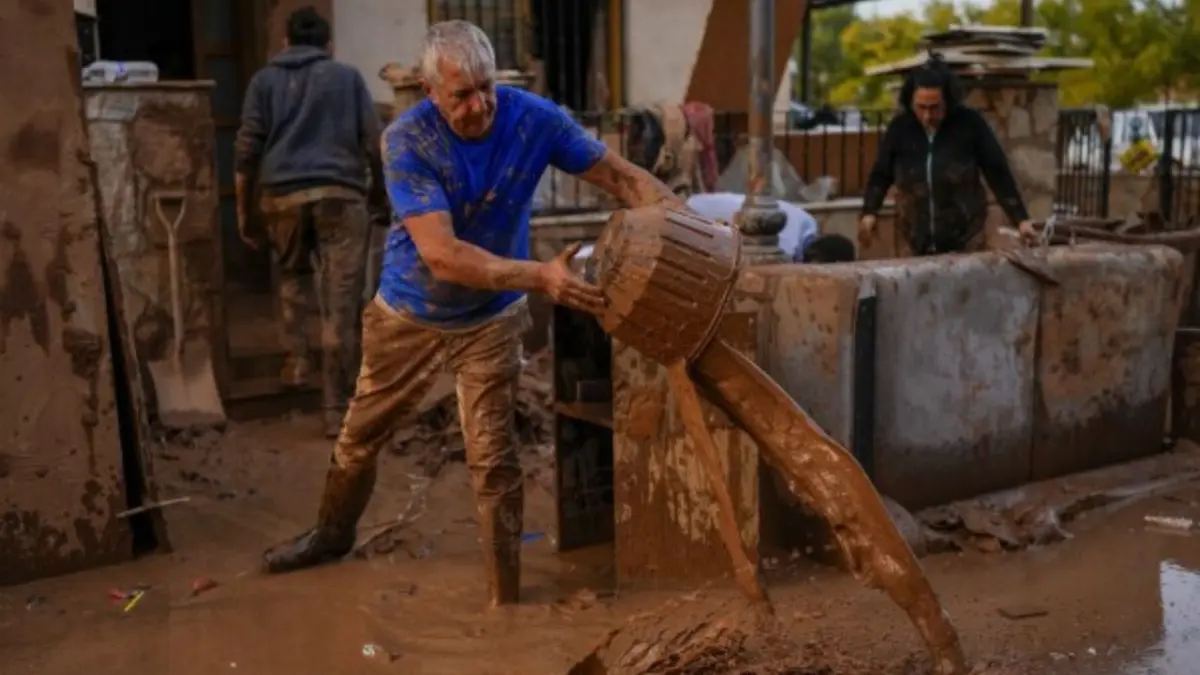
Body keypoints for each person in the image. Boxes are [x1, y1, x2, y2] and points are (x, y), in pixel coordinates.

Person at [261, 20, 685, 608]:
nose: (478, 105)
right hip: (409, 312)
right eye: (461, 95)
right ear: (430, 91)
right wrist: (542, 276)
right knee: (358, 441)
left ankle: (502, 599)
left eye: (485, 87)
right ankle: (331, 536)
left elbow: (618, 176)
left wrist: (685, 224)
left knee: (493, 458)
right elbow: (443, 256)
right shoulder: (407, 140)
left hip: (491, 317)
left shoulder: (532, 117)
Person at [234, 6, 387, 439]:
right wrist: (379, 197)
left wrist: (245, 213)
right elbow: (374, 144)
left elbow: (246, 152)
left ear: (285, 44)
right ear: (329, 46)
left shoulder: (263, 81)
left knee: (292, 280)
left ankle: (298, 360)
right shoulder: (348, 78)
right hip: (341, 197)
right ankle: (336, 409)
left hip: (281, 198)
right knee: (341, 307)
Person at [858, 53, 1036, 256]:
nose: (927, 116)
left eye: (935, 108)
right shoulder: (900, 128)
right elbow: (881, 173)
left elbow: (997, 171)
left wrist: (1021, 219)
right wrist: (869, 212)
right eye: (921, 107)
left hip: (966, 238)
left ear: (948, 101)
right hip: (913, 238)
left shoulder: (970, 124)